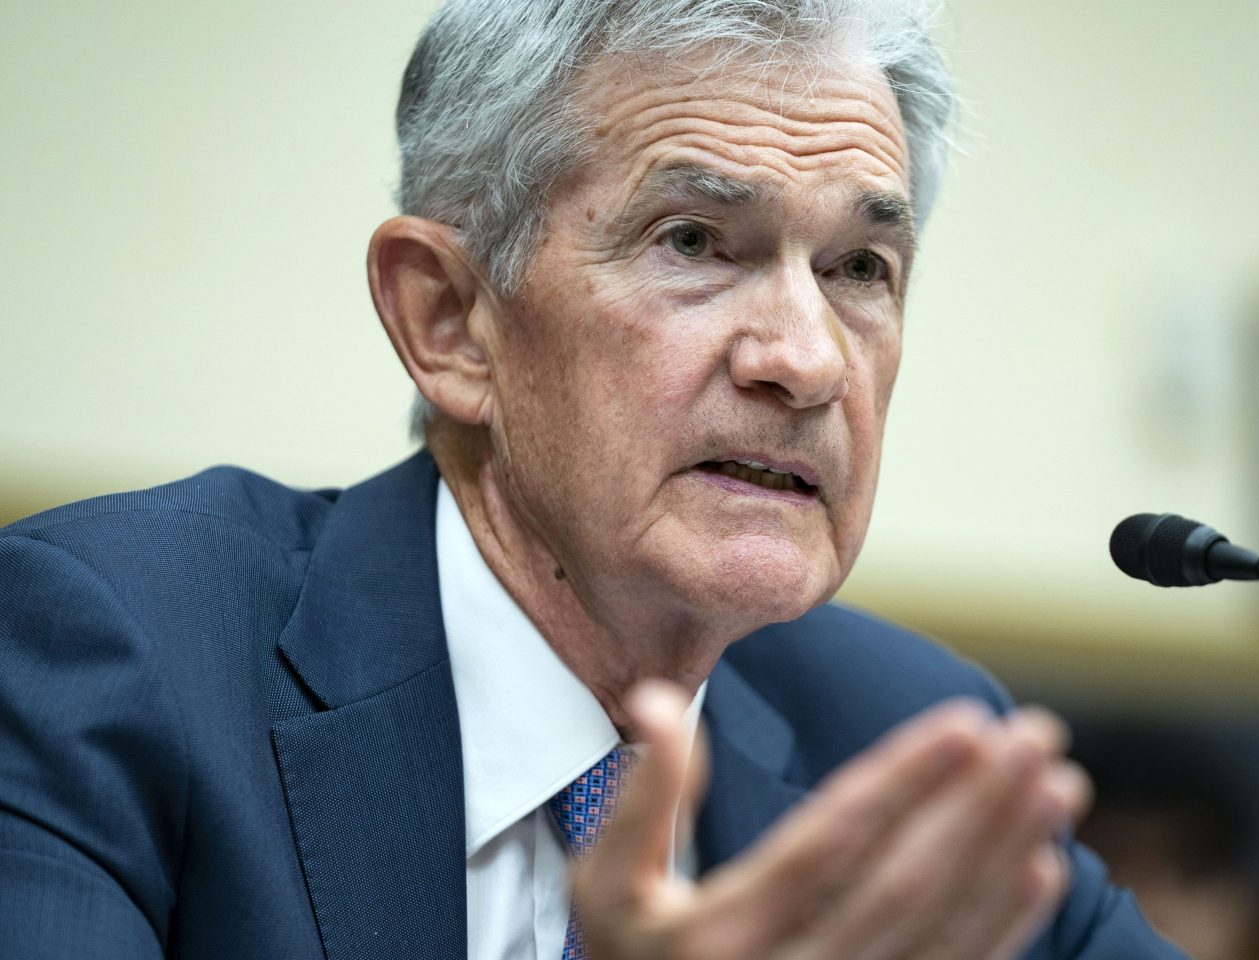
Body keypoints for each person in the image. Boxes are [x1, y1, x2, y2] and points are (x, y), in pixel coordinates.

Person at [0, 1, 1186, 958]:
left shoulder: (908, 753)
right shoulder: (113, 653)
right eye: (693, 243)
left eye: (860, 267)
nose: (810, 359)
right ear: (451, 319)